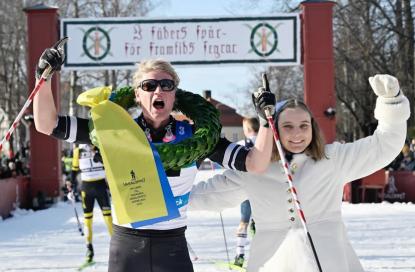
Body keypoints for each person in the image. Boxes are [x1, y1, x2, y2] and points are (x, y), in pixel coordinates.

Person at [32, 44, 275, 272]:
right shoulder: (112, 132)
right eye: (149, 86)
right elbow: (47, 124)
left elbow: (255, 163)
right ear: (136, 95)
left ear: (174, 95)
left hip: (172, 247)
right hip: (127, 247)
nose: (158, 90)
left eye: (166, 85)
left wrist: (265, 121)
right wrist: (43, 78)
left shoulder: (196, 137)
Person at [189, 74, 410, 272]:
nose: (297, 134)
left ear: (312, 128)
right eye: (288, 127)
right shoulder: (253, 169)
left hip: (328, 259)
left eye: (304, 125)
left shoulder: (333, 159)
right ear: (274, 128)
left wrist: (392, 103)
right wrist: (165, 188)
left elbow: (383, 146)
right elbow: (204, 197)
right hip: (272, 260)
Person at [69, 143, 113, 264]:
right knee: (87, 220)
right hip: (86, 188)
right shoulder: (78, 150)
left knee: (108, 218)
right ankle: (89, 249)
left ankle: (116, 247)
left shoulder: (98, 145)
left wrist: (96, 152)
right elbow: (74, 169)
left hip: (100, 186)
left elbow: (107, 162)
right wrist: (71, 186)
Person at [234, 117, 259, 267]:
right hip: (264, 190)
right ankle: (258, 253)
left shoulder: (241, 144)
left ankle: (240, 255)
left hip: (247, 190)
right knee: (261, 223)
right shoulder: (267, 144)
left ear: (248, 129)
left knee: (244, 222)